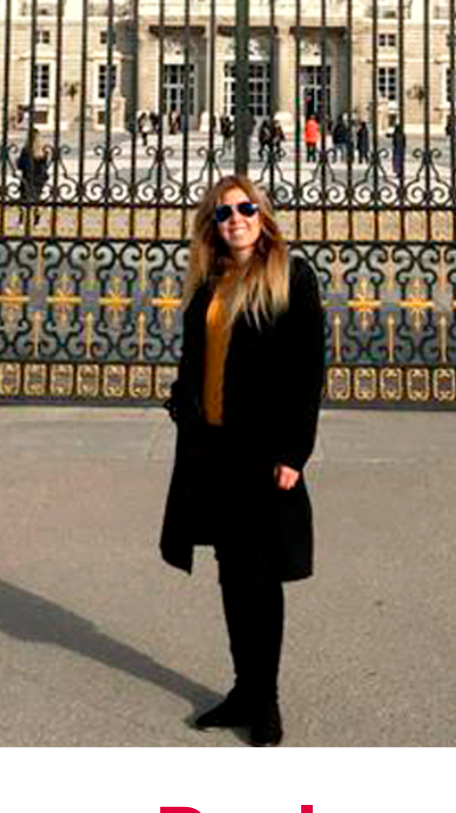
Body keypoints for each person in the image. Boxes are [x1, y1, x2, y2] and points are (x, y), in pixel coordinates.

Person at [160, 174, 326, 749]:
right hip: (211, 446)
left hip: (263, 450)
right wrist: (182, 396)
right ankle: (243, 688)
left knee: (261, 575)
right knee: (232, 573)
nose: (235, 219)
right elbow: (199, 356)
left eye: (245, 209)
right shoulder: (209, 282)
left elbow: (308, 371)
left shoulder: (291, 277)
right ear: (211, 225)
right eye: (223, 212)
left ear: (263, 215)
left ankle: (267, 697)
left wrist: (295, 451)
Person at [17, 130, 49, 225]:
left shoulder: (26, 150)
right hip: (39, 178)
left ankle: (22, 219)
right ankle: (36, 218)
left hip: (27, 177)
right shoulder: (43, 151)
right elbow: (44, 166)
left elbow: (21, 165)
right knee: (36, 199)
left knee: (24, 199)